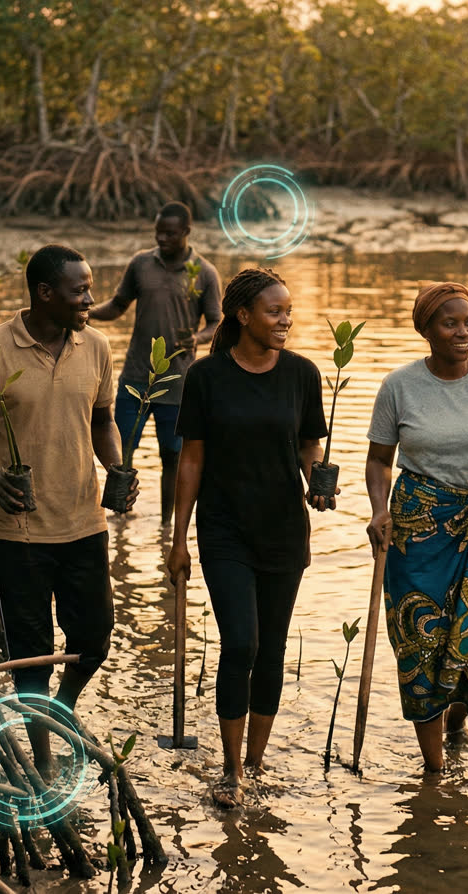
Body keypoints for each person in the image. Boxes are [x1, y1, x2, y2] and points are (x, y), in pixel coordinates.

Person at [0, 244, 134, 773]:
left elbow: (102, 419)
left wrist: (116, 465)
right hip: (19, 530)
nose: (90, 301)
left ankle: (62, 707)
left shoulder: (95, 346)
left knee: (94, 638)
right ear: (44, 294)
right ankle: (43, 761)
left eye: (90, 289)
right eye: (80, 292)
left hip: (83, 522)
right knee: (30, 656)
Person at [166, 267, 332, 809]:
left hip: (284, 530)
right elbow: (191, 459)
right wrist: (178, 538)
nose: (286, 320)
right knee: (241, 644)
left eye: (289, 311)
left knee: (272, 650)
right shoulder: (206, 377)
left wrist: (319, 480)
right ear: (243, 316)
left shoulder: (303, 374)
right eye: (274, 311)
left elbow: (309, 445)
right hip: (225, 530)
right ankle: (232, 770)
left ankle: (258, 764)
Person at [363, 282, 468, 775]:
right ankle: (435, 771)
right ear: (427, 330)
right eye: (450, 323)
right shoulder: (399, 386)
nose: (463, 332)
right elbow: (378, 461)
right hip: (416, 528)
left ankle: (455, 725)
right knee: (421, 642)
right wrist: (378, 509)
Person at [89, 201, 222, 525]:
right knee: (121, 454)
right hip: (135, 377)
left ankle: (166, 526)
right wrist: (83, 313)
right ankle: (119, 519)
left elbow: (216, 322)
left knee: (172, 456)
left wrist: (198, 339)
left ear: (187, 233)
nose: (162, 238)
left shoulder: (203, 272)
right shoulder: (140, 264)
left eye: (170, 234)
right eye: (158, 232)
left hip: (178, 383)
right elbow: (118, 305)